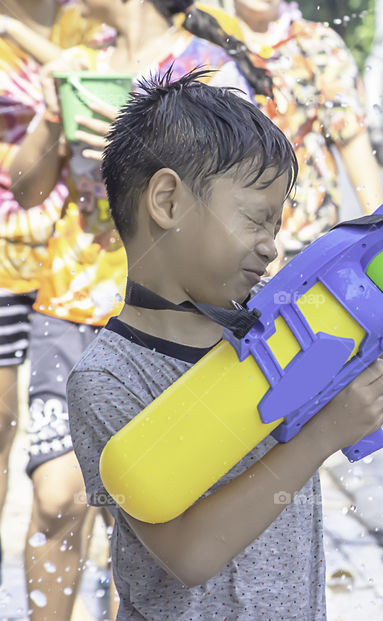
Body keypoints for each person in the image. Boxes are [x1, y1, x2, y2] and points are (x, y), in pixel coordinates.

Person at [65, 69, 383, 618]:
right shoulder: (109, 378)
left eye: (277, 224)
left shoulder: (280, 324)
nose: (271, 246)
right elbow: (190, 555)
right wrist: (322, 437)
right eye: (256, 220)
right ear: (167, 201)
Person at [7, 1, 268, 616]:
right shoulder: (78, 62)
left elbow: (242, 192)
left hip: (168, 313)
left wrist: (140, 158)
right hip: (68, 302)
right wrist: (51, 117)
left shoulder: (208, 72)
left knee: (151, 498)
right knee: (54, 497)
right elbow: (23, 189)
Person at [0, 0, 103, 596]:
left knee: (70, 464)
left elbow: (82, 73)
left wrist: (14, 30)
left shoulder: (93, 25)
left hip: (73, 265)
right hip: (3, 255)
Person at [232, 0, 383, 266]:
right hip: (224, 240)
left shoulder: (317, 44)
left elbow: (353, 141)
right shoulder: (204, 44)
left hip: (304, 241)